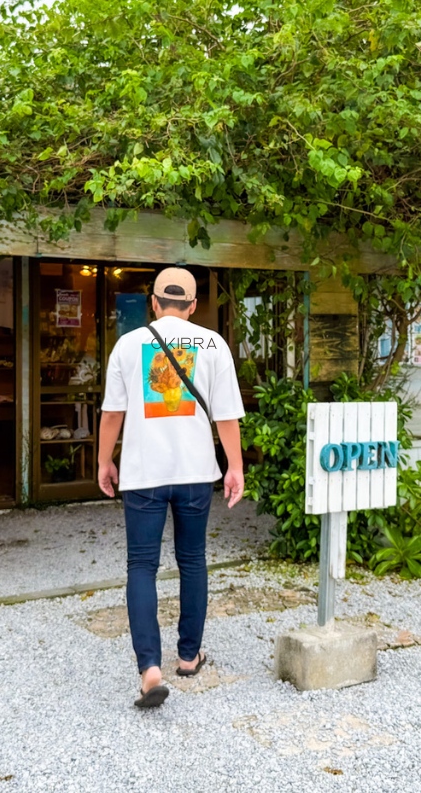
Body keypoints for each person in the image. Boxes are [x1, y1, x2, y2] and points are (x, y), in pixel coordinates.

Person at [98, 266, 246, 709]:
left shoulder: (128, 344)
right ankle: (188, 655)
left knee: (141, 566)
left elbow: (111, 414)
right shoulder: (213, 344)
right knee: (193, 560)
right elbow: (226, 416)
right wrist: (234, 466)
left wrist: (105, 459)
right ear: (194, 305)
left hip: (143, 474)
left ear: (155, 303)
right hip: (196, 473)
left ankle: (149, 670)